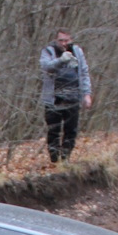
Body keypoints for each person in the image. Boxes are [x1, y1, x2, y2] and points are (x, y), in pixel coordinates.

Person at [40, 29, 93, 163]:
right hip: (54, 99)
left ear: (71, 40)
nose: (64, 43)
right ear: (56, 40)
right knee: (54, 130)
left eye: (67, 40)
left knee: (71, 130)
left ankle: (65, 158)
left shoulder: (77, 51)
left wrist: (87, 94)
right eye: (61, 40)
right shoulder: (48, 52)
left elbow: (84, 73)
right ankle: (54, 159)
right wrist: (61, 60)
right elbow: (46, 67)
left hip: (73, 97)